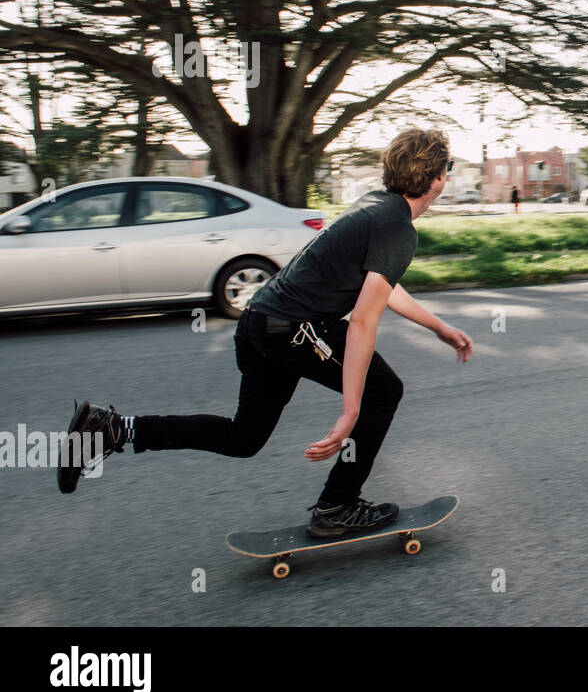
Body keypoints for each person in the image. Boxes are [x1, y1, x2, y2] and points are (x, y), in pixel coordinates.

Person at [57, 128, 474, 538]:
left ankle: (112, 428)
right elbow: (364, 319)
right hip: (293, 328)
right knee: (383, 392)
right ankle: (337, 505)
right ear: (436, 178)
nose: (447, 177)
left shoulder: (375, 205)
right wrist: (350, 411)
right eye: (447, 169)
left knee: (244, 437)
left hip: (260, 321)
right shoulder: (397, 226)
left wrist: (437, 326)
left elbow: (378, 285)